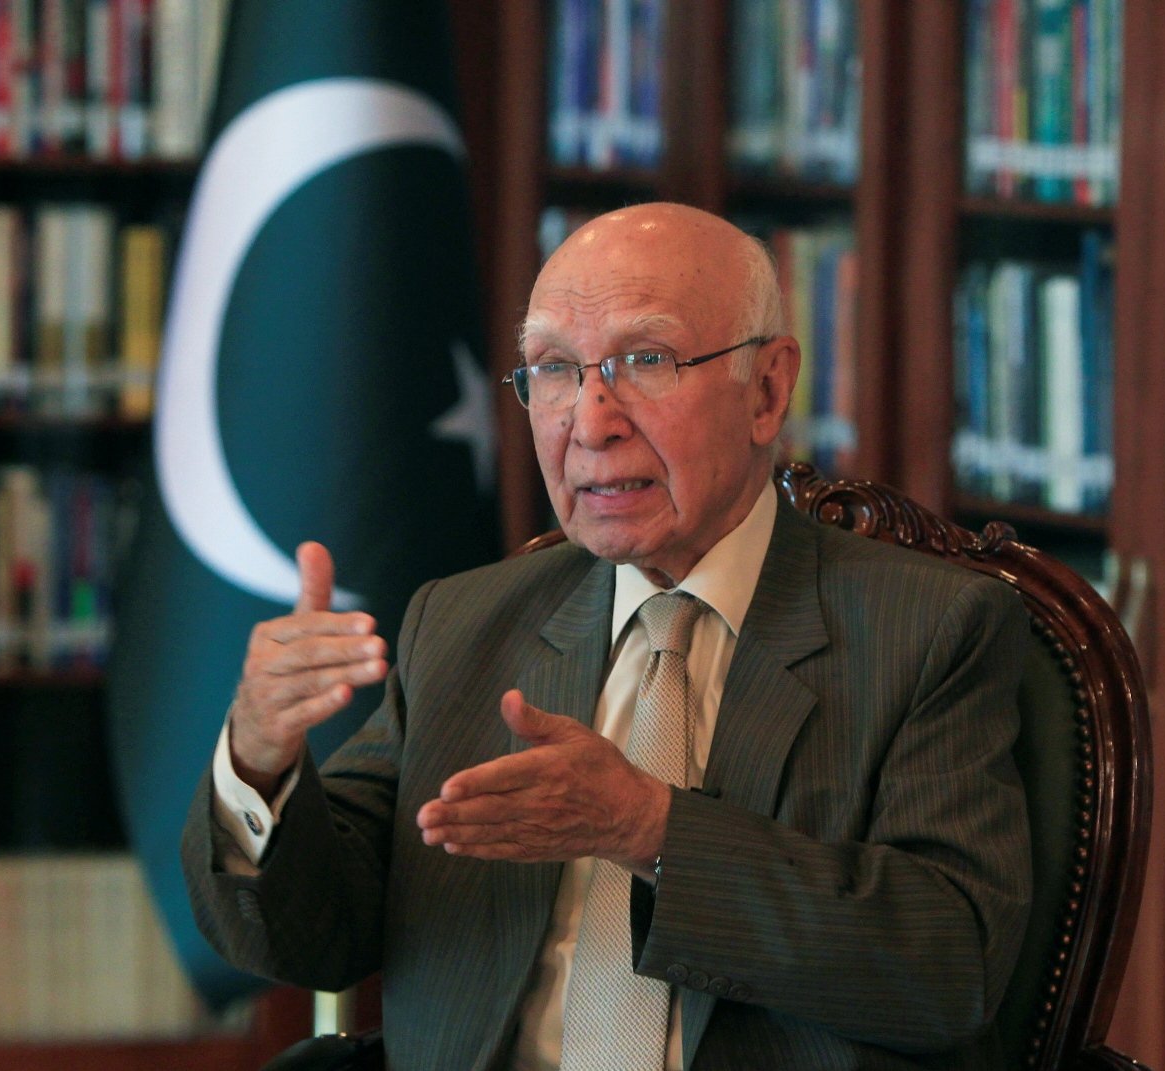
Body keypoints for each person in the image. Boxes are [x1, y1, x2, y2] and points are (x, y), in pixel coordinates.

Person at [182, 202, 1032, 1070]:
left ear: (768, 390)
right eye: (553, 369)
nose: (589, 422)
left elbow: (949, 964)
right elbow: (314, 933)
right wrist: (259, 756)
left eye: (644, 361)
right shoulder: (466, 624)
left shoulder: (929, 630)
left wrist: (650, 829)